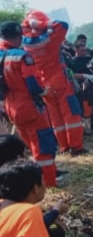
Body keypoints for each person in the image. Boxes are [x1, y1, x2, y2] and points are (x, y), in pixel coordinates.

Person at [0, 21, 58, 187]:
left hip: (11, 108)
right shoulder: (22, 56)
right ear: (18, 35)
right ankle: (48, 183)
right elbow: (33, 85)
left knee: (31, 146)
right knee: (44, 147)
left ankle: (36, 180)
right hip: (30, 107)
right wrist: (45, 91)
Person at [21, 10, 87, 156]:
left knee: (55, 117)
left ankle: (64, 146)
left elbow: (24, 29)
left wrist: (29, 23)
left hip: (44, 84)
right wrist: (44, 23)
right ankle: (76, 147)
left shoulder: (25, 43)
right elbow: (62, 25)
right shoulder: (50, 40)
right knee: (71, 113)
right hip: (59, 80)